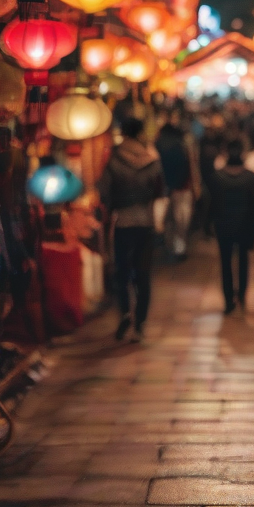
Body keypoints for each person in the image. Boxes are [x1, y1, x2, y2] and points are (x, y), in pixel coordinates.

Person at [102, 117, 165, 342]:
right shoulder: (152, 159)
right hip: (145, 221)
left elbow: (105, 192)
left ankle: (125, 313)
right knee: (143, 274)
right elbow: (160, 190)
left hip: (122, 222)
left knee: (122, 272)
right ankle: (140, 324)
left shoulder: (114, 158)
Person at [210, 139, 254, 314]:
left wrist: (208, 224)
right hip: (245, 225)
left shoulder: (217, 177)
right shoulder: (250, 177)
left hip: (223, 226)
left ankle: (228, 299)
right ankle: (241, 295)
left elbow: (211, 204)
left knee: (225, 262)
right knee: (243, 260)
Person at [155, 117, 195, 260]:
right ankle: (179, 249)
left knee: (168, 221)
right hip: (181, 189)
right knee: (181, 221)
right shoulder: (181, 145)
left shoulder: (157, 145)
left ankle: (169, 246)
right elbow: (187, 168)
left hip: (163, 189)